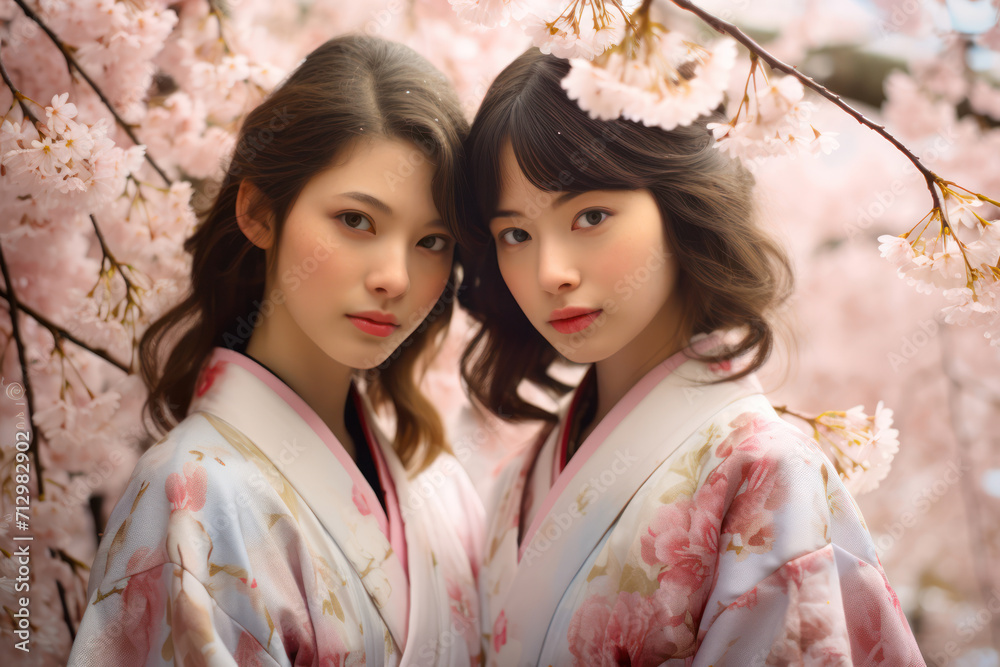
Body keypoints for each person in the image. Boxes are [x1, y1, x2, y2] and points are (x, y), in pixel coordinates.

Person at [459, 48, 923, 666]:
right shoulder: (518, 479)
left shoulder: (766, 473)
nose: (551, 273)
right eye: (515, 234)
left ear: (680, 202)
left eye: (591, 215)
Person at [69, 35, 482, 666]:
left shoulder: (439, 483)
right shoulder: (191, 492)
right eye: (356, 220)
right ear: (259, 211)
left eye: (432, 241)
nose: (395, 278)